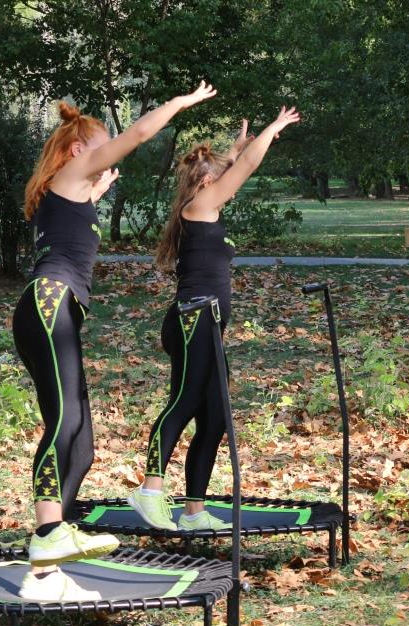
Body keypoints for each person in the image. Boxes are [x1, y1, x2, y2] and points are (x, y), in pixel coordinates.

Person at [12, 82, 217, 601]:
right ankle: (47, 533)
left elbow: (78, 210)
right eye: (101, 150)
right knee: (65, 422)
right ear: (79, 150)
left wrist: (98, 191)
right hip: (49, 303)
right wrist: (180, 104)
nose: (108, 160)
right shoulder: (71, 171)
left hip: (56, 310)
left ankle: (46, 568)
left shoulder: (69, 189)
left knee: (82, 444)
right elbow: (139, 133)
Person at [128, 108, 301, 531]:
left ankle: (194, 512)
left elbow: (235, 164)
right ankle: (149, 490)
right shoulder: (200, 204)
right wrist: (273, 128)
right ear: (206, 183)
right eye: (219, 176)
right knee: (185, 402)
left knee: (215, 417)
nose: (227, 182)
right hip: (193, 320)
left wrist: (235, 148)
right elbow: (246, 168)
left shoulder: (204, 206)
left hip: (205, 324)